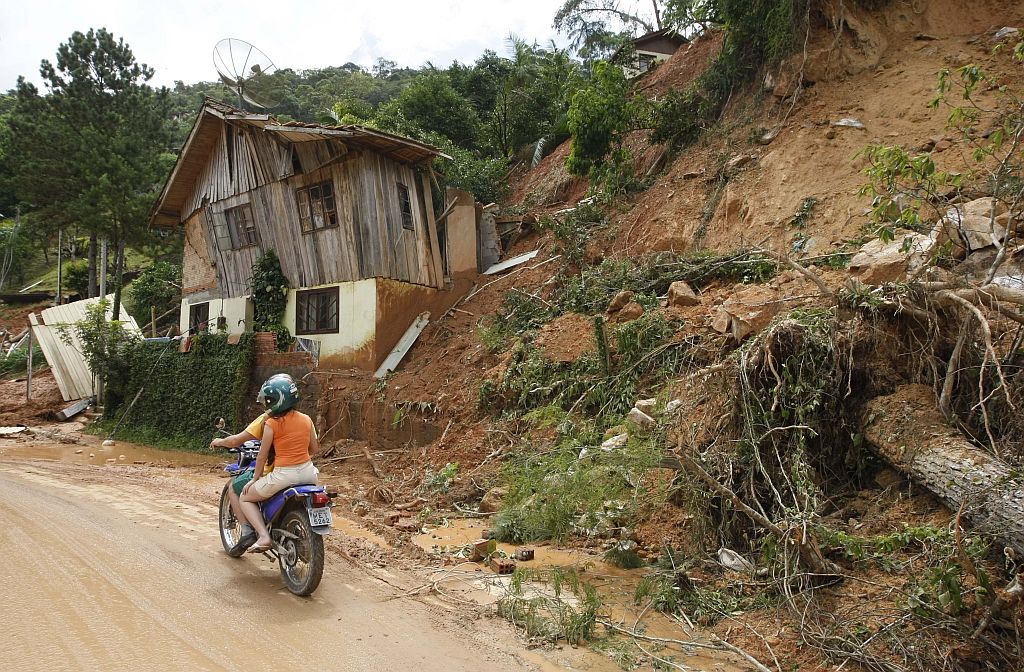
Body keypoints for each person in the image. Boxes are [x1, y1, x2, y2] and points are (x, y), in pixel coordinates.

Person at [240, 374, 320, 553]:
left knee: (244, 497)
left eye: (269, 400)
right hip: (309, 473)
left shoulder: (271, 424)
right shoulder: (307, 419)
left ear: (276, 401)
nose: (266, 404)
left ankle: (263, 536)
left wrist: (255, 478)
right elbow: (315, 449)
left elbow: (262, 456)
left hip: (283, 476)